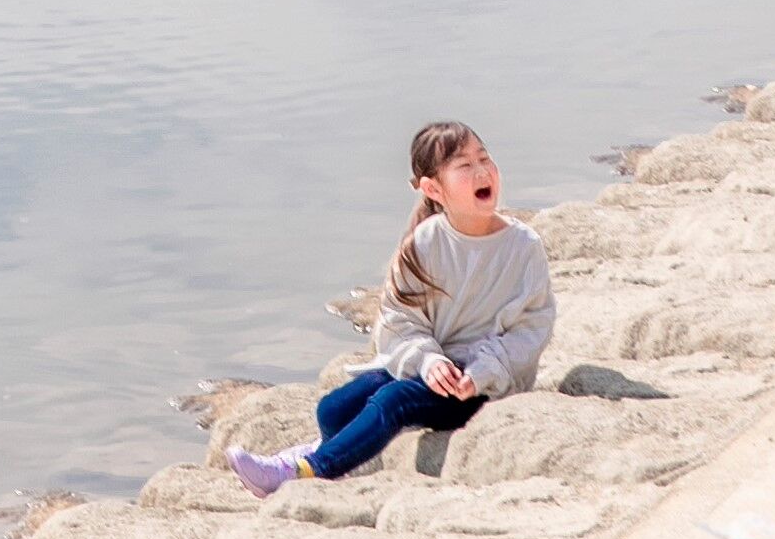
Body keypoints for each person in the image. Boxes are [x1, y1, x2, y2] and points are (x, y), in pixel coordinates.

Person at [227, 118, 555, 496]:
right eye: (464, 166)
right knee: (332, 408)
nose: (482, 171)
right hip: (433, 370)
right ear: (434, 189)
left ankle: (309, 470)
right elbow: (400, 320)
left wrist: (481, 372)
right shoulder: (426, 242)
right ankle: (339, 451)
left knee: (393, 400)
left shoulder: (522, 247)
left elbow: (533, 327)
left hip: (480, 385)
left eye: (484, 158)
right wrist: (429, 361)